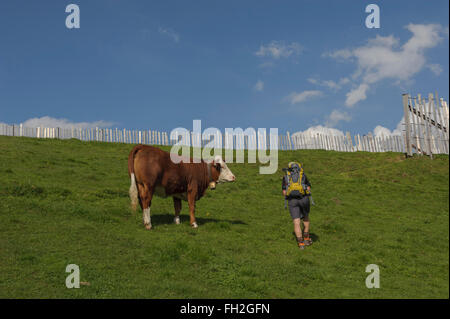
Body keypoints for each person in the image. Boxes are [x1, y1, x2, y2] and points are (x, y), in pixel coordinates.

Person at [282, 162, 312, 250]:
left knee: (296, 222)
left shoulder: (286, 177)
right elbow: (309, 188)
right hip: (304, 199)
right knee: (306, 218)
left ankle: (301, 243)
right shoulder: (303, 175)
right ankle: (306, 238)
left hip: (292, 201)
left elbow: (284, 192)